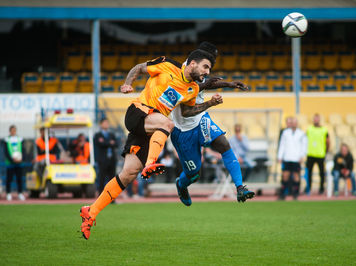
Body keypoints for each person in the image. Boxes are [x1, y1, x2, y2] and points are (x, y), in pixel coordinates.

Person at [80, 48, 216, 240]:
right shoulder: (167, 64)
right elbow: (138, 68)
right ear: (193, 63)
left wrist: (209, 104)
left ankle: (90, 211)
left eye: (209, 69)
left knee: (128, 174)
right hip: (138, 112)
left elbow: (186, 112)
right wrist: (128, 83)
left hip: (150, 127)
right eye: (205, 67)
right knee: (168, 123)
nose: (207, 72)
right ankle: (151, 162)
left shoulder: (192, 89)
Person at [171, 42, 254, 206]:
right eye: (209, 63)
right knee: (194, 174)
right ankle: (181, 185)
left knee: (223, 143)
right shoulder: (181, 75)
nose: (209, 69)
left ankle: (240, 187)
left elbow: (206, 84)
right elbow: (186, 111)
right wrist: (210, 101)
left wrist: (230, 84)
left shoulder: (198, 69)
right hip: (183, 130)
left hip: (201, 119)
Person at [277, 117, 307, 200]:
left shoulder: (301, 133)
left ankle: (295, 194)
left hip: (296, 158)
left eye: (295, 122)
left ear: (297, 124)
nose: (293, 124)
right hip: (287, 157)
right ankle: (283, 194)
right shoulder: (285, 133)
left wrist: (302, 156)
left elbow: (304, 146)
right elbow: (282, 145)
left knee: (296, 176)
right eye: (292, 122)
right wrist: (280, 156)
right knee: (285, 175)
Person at [305, 113, 330, 194]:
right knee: (309, 173)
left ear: (319, 119)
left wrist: (326, 151)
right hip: (310, 154)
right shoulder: (309, 129)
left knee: (321, 173)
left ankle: (321, 188)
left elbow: (328, 141)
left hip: (320, 154)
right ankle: (309, 187)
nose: (316, 120)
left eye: (317, 118)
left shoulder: (324, 130)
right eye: (314, 118)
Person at [94, 118, 118, 194]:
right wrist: (110, 143)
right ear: (101, 124)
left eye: (107, 123)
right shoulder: (98, 135)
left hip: (111, 159)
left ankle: (112, 197)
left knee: (112, 179)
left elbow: (116, 144)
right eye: (105, 123)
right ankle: (100, 197)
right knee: (101, 178)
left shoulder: (111, 134)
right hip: (102, 160)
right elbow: (100, 144)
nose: (106, 124)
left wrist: (106, 143)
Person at [3, 125, 25, 201]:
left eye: (14, 130)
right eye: (12, 130)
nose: (13, 132)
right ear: (10, 131)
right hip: (10, 163)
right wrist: (12, 160)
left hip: (19, 163)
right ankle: (8, 193)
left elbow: (23, 150)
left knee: (19, 179)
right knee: (9, 179)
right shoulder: (7, 140)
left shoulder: (20, 139)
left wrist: (21, 158)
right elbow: (6, 152)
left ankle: (20, 193)